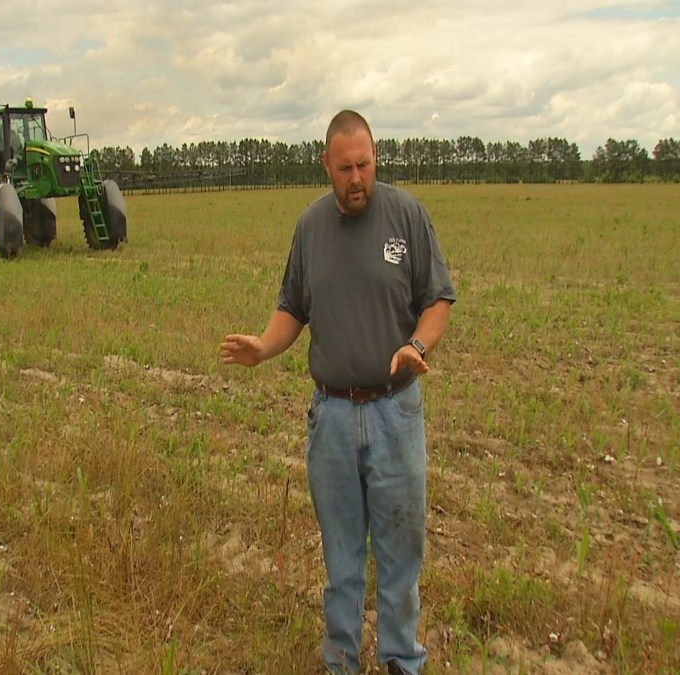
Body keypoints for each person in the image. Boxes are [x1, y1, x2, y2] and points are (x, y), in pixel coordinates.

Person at [220, 109, 455, 674]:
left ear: (377, 157)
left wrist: (418, 348)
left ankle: (402, 659)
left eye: (365, 165)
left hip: (395, 413)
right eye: (345, 168)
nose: (357, 179)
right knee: (342, 555)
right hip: (330, 417)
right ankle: (341, 661)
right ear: (326, 164)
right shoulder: (310, 227)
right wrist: (262, 346)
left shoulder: (407, 216)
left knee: (401, 552)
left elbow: (438, 300)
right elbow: (292, 308)